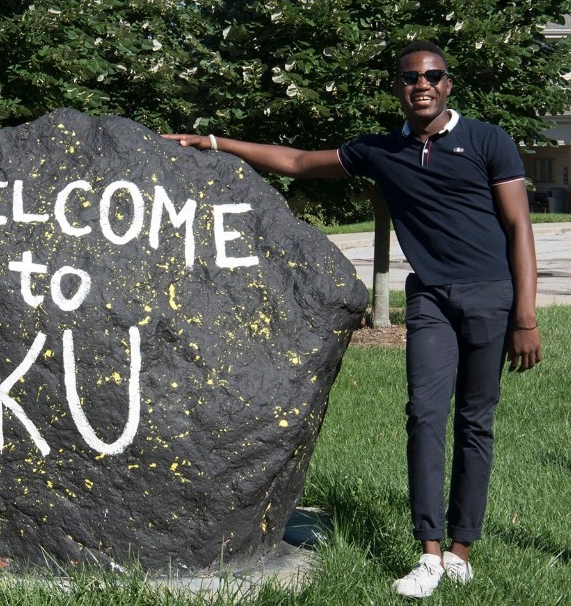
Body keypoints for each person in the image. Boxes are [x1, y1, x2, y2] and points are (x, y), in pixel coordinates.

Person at [163, 40, 542, 598]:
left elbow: (519, 228)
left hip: (491, 296)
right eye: (411, 77)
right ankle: (430, 554)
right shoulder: (380, 150)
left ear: (448, 84)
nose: (422, 85)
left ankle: (462, 550)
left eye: (433, 76)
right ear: (398, 88)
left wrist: (525, 316)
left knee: (476, 422)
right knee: (424, 415)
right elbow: (297, 162)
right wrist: (214, 142)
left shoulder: (487, 141)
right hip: (430, 300)